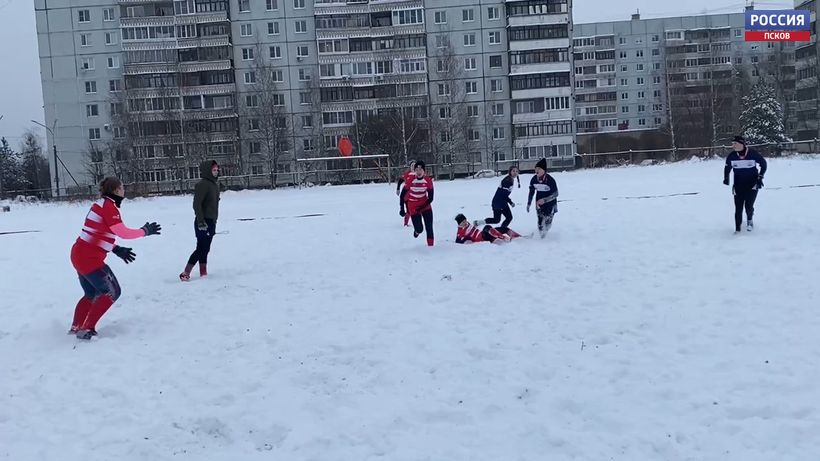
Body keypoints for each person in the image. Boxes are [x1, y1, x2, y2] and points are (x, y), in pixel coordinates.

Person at [69, 177, 161, 340]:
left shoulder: (99, 204)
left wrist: (116, 249)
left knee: (90, 293)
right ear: (116, 190)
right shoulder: (109, 207)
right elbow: (123, 232)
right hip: (89, 259)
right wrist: (144, 231)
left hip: (79, 254)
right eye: (122, 187)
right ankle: (86, 329)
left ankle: (76, 327)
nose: (124, 190)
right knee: (112, 291)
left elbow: (96, 234)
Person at [180, 160, 221, 281]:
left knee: (206, 248)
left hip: (211, 221)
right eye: (214, 170)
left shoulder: (214, 185)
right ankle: (185, 272)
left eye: (217, 170)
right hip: (203, 222)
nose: (216, 172)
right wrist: (201, 221)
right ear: (208, 171)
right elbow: (197, 204)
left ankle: (203, 272)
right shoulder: (202, 184)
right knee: (201, 248)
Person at [724, 135, 767, 233]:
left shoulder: (752, 154)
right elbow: (727, 167)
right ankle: (738, 228)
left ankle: (749, 220)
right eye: (732, 144)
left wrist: (760, 177)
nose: (733, 146)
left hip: (752, 184)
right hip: (738, 185)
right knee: (738, 207)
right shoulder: (732, 156)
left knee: (748, 205)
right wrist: (726, 178)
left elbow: (763, 164)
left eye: (735, 143)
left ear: (742, 144)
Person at [399, 160, 434, 246]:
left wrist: (422, 208)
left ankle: (431, 247)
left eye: (420, 169)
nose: (419, 172)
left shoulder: (428, 181)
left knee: (429, 227)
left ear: (424, 171)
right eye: (417, 170)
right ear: (414, 171)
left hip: (425, 205)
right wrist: (402, 208)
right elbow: (402, 195)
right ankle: (417, 231)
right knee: (420, 229)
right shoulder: (410, 180)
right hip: (413, 206)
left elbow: (431, 198)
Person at [476, 166, 520, 231]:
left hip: (500, 202)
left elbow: (504, 195)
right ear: (510, 171)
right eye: (513, 171)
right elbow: (503, 194)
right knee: (508, 218)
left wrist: (509, 202)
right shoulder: (507, 181)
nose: (515, 173)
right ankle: (501, 230)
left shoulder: (510, 179)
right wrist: (510, 202)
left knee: (497, 220)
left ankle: (478, 222)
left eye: (516, 171)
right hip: (499, 202)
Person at [527, 158, 559, 238]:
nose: (536, 171)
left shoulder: (550, 180)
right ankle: (541, 236)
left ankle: (546, 234)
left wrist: (545, 200)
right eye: (536, 169)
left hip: (550, 204)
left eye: (539, 169)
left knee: (548, 221)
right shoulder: (534, 179)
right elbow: (531, 192)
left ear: (544, 170)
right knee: (540, 221)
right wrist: (529, 203)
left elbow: (556, 193)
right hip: (539, 203)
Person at [455, 214, 520, 244]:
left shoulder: (467, 224)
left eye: (465, 220)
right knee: (487, 228)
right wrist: (466, 239)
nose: (465, 222)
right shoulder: (460, 232)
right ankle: (503, 237)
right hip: (482, 238)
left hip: (486, 234)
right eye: (463, 222)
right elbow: (458, 241)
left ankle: (518, 237)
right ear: (459, 224)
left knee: (504, 228)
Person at [396, 160, 416, 226]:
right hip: (407, 195)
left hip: (416, 195)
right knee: (409, 210)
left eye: (414, 165)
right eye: (412, 165)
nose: (413, 167)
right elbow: (400, 180)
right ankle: (406, 223)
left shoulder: (419, 174)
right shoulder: (407, 174)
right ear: (410, 167)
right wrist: (398, 188)